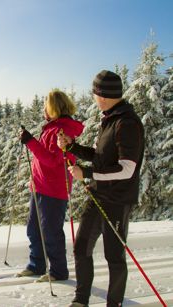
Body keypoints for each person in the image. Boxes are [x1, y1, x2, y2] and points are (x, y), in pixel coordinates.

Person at [57, 70, 145, 307]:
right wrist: (73, 147)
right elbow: (100, 157)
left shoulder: (126, 123)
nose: (94, 96)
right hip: (97, 195)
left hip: (117, 200)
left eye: (95, 92)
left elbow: (127, 168)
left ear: (103, 95)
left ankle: (113, 304)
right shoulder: (109, 118)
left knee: (114, 256)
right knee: (81, 247)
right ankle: (81, 300)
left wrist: (85, 173)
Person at [17, 89, 84, 282]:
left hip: (54, 189)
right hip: (39, 186)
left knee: (50, 232)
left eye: (46, 105)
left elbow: (52, 161)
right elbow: (44, 156)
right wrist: (30, 141)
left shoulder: (64, 130)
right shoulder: (51, 127)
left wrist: (30, 142)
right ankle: (37, 264)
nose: (43, 109)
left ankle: (58, 271)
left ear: (54, 107)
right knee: (34, 229)